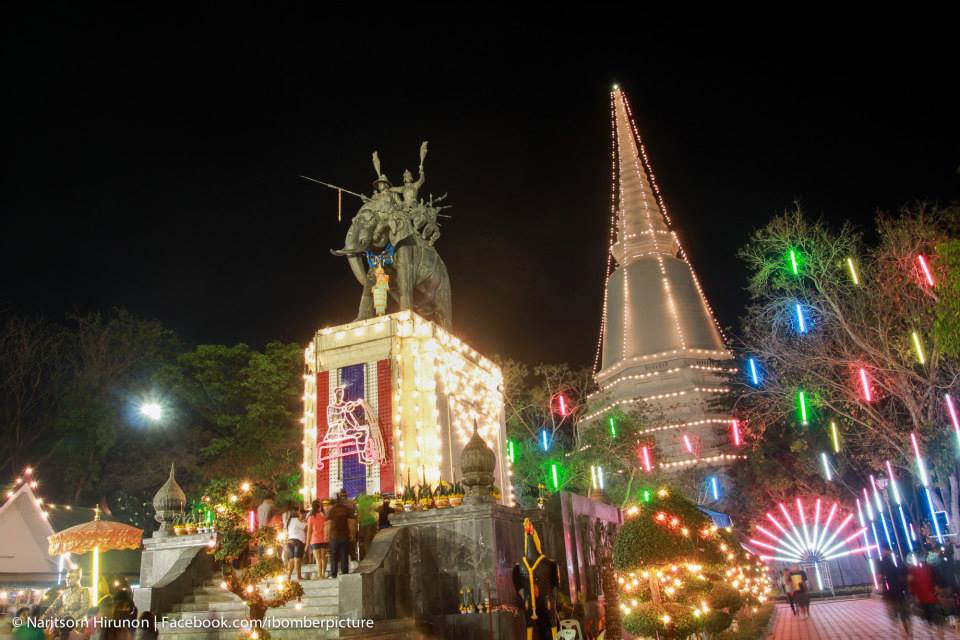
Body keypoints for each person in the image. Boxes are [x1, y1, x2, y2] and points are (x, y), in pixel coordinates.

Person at [878, 548, 911, 638]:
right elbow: (907, 575)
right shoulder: (898, 560)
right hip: (902, 591)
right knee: (904, 614)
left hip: (891, 592)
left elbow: (880, 577)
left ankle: (904, 633)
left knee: (895, 615)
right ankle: (908, 632)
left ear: (886, 551)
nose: (881, 553)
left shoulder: (883, 563)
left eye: (883, 551)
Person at [910, 556, 945, 639]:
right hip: (932, 598)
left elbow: (913, 585)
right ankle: (940, 635)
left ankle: (933, 635)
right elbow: (941, 581)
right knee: (937, 619)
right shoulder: (932, 569)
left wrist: (914, 595)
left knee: (929, 619)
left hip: (924, 599)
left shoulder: (915, 571)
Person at [326, 493, 353, 578]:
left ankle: (334, 573)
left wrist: (327, 535)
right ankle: (344, 572)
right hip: (344, 535)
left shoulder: (331, 510)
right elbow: (350, 522)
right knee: (344, 554)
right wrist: (352, 533)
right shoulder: (346, 509)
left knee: (333, 555)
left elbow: (328, 524)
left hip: (334, 535)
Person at [305, 500, 327, 580]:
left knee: (318, 559)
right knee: (323, 558)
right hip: (323, 539)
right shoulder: (323, 517)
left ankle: (319, 574)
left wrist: (307, 544)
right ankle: (323, 574)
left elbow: (309, 532)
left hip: (315, 540)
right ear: (319, 507)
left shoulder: (310, 518)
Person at [285, 505, 307, 581]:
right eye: (298, 511)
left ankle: (288, 576)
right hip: (298, 541)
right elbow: (305, 527)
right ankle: (299, 576)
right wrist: (305, 521)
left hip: (290, 541)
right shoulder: (296, 520)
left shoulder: (289, 521)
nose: (299, 512)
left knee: (291, 560)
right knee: (297, 560)